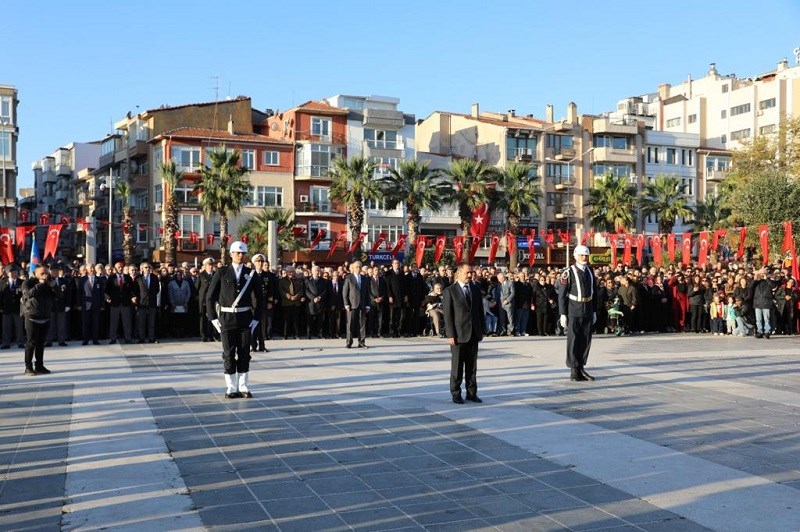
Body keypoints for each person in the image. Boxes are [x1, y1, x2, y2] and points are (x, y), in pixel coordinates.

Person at [206, 241, 263, 399]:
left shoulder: (251, 273)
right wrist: (213, 319)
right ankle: (231, 387)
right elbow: (210, 297)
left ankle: (243, 386)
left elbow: (260, 298)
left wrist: (256, 319)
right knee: (229, 353)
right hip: (226, 318)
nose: (240, 255)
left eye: (243, 253)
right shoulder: (222, 272)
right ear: (231, 254)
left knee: (244, 353)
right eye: (237, 253)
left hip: (245, 318)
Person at [442, 263, 485, 404]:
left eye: (471, 272)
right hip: (459, 335)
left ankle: (472, 393)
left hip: (473, 333)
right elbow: (448, 315)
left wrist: (482, 329)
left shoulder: (475, 289)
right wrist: (450, 334)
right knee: (457, 366)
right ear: (459, 273)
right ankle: (456, 393)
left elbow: (479, 312)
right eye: (467, 272)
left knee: (472, 367)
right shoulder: (450, 291)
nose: (470, 275)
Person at [558, 245, 597, 382]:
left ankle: (581, 367)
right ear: (575, 256)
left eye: (586, 255)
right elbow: (562, 295)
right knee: (573, 339)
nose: (584, 258)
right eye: (581, 255)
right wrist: (563, 314)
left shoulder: (590, 271)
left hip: (587, 308)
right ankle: (574, 370)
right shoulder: (568, 272)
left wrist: (594, 311)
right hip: (574, 309)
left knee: (585, 339)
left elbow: (594, 292)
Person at [21, 265, 56, 375]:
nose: (45, 275)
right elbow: (28, 294)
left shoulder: (49, 283)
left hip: (45, 317)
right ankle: (28, 367)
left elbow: (59, 296)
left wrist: (54, 286)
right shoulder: (28, 283)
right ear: (35, 273)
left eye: (46, 272)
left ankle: (39, 366)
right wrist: (40, 283)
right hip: (32, 317)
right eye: (42, 273)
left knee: (41, 343)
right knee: (31, 343)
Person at [342, 261, 370, 348]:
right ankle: (349, 342)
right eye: (357, 267)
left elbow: (367, 293)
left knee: (362, 324)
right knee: (350, 324)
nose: (358, 268)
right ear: (353, 268)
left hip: (362, 304)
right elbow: (345, 292)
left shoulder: (364, 278)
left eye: (360, 267)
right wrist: (346, 304)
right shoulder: (348, 278)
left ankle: (361, 342)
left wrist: (367, 305)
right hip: (352, 304)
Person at [133, 261, 160, 343]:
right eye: (146, 267)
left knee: (151, 322)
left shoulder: (154, 277)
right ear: (142, 269)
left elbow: (157, 289)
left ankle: (151, 338)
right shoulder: (138, 278)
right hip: (142, 303)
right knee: (141, 322)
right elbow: (136, 290)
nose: (148, 269)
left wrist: (151, 296)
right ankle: (142, 338)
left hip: (152, 302)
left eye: (149, 267)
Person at [0, 266, 25, 349]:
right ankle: (6, 343)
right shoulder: (2, 283)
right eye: (12, 272)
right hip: (6, 309)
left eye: (16, 272)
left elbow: (25, 296)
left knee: (19, 327)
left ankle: (20, 342)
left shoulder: (22, 282)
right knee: (6, 327)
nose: (14, 274)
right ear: (7, 273)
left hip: (18, 308)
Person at [197, 258, 216, 342]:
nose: (211, 267)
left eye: (212, 265)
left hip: (213, 300)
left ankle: (211, 335)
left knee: (212, 317)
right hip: (204, 301)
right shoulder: (201, 275)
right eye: (209, 265)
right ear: (205, 266)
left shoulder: (216, 275)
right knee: (203, 319)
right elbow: (196, 288)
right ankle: (203, 335)